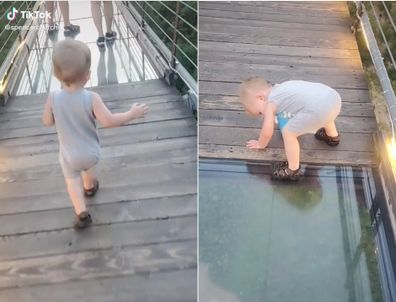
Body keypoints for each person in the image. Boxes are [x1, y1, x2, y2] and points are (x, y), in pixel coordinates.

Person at [42, 39, 149, 229]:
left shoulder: (53, 97)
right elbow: (109, 121)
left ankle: (81, 213)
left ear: (57, 76)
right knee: (87, 169)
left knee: (72, 181)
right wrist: (132, 114)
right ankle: (90, 187)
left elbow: (47, 122)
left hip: (69, 156)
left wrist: (54, 113)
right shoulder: (91, 98)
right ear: (88, 75)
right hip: (91, 153)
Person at [238, 77, 341, 181]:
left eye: (260, 112)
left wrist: (260, 144)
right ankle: (332, 136)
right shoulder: (281, 88)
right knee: (325, 114)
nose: (263, 115)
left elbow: (267, 132)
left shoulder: (270, 102)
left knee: (288, 133)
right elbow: (293, 109)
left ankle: (292, 169)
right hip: (333, 98)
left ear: (261, 98)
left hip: (318, 111)